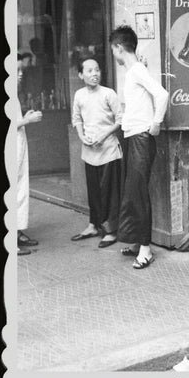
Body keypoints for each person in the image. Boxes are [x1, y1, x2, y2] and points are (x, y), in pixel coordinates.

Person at [109, 25, 169, 269]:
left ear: (119, 48)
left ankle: (145, 249)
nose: (113, 54)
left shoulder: (136, 71)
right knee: (133, 193)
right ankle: (136, 242)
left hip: (141, 139)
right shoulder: (134, 70)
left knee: (139, 194)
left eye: (113, 49)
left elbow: (162, 95)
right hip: (134, 137)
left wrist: (156, 122)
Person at [70, 58, 123, 248]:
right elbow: (76, 119)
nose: (95, 74)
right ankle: (93, 225)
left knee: (109, 191)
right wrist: (82, 137)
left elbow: (120, 119)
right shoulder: (79, 95)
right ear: (81, 75)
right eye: (90, 71)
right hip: (89, 150)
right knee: (93, 191)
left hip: (108, 150)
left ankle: (111, 231)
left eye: (97, 70)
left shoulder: (108, 94)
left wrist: (104, 134)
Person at [16, 55, 42, 255]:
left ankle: (17, 232)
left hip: (19, 145)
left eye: (20, 71)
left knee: (21, 188)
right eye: (15, 71)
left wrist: (24, 118)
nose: (19, 75)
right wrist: (27, 121)